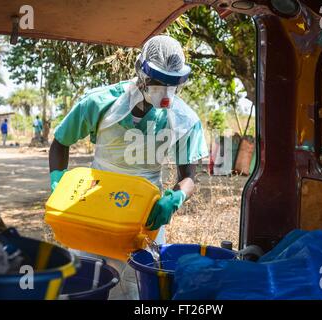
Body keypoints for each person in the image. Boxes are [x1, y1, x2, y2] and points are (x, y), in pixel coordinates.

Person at [48, 35, 209, 299]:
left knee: (136, 288)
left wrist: (175, 198)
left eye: (172, 85)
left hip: (143, 215)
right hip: (92, 204)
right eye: (158, 83)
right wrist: (57, 180)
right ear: (141, 73)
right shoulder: (100, 102)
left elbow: (188, 176)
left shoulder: (184, 120)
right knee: (87, 281)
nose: (165, 93)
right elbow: (60, 141)